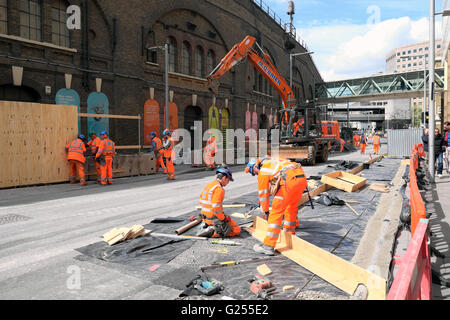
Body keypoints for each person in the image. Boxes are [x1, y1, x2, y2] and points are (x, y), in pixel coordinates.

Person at [245, 157, 307, 255]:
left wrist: (265, 212)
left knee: (275, 213)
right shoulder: (275, 162)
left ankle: (268, 246)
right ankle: (289, 236)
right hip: (301, 180)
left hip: (288, 184)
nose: (256, 174)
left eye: (254, 172)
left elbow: (264, 195)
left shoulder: (263, 171)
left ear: (256, 166)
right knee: (291, 207)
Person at [197, 165, 241, 238]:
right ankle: (214, 232)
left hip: (205, 218)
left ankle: (210, 228)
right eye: (228, 179)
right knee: (237, 229)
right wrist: (223, 218)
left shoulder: (210, 185)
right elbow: (216, 208)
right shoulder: (219, 189)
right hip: (213, 220)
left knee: (231, 223)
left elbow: (202, 202)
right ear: (224, 178)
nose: (228, 182)